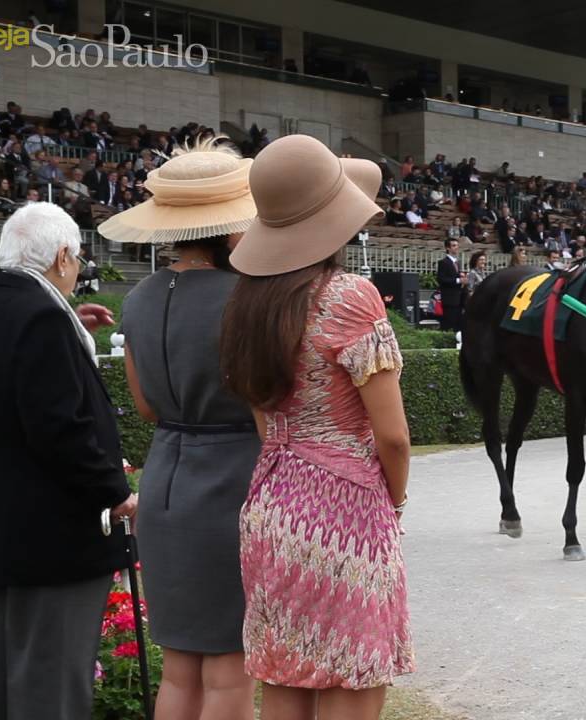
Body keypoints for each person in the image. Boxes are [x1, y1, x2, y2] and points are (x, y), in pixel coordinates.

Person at [222, 134, 414, 717]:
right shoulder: (351, 297)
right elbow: (394, 436)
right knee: (352, 672)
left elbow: (264, 416)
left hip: (272, 500)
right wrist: (394, 501)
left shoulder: (246, 303)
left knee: (285, 669)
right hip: (346, 504)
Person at [98, 138, 270, 720]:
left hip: (166, 476)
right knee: (228, 671)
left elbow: (145, 406)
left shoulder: (139, 296)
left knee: (179, 670)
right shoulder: (249, 298)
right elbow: (269, 407)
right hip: (233, 481)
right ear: (229, 228)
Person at [0, 202, 137, 719]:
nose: (78, 270)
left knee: (1, 681)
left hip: (1, 531)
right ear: (62, 256)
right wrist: (115, 493)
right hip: (52, 540)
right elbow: (59, 428)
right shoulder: (40, 317)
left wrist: (69, 324)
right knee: (51, 684)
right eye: (78, 259)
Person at [437, 238, 465, 331]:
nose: (456, 248)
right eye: (453, 245)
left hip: (459, 297)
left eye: (457, 245)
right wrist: (458, 280)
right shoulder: (443, 262)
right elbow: (441, 279)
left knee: (458, 322)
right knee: (449, 322)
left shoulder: (457, 262)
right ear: (448, 248)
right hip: (449, 298)